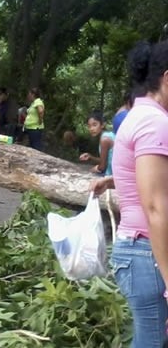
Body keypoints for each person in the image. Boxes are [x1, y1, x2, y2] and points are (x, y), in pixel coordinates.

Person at [89, 40, 168, 348]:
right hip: (147, 252)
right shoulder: (155, 122)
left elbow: (143, 174)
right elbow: (156, 207)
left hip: (142, 252)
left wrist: (109, 179)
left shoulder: (141, 115)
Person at [79, 110, 115, 176]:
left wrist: (95, 168)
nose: (91, 129)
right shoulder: (109, 134)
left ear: (102, 125)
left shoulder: (105, 139)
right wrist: (90, 156)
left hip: (112, 176)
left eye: (94, 125)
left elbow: (102, 167)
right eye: (89, 126)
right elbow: (104, 160)